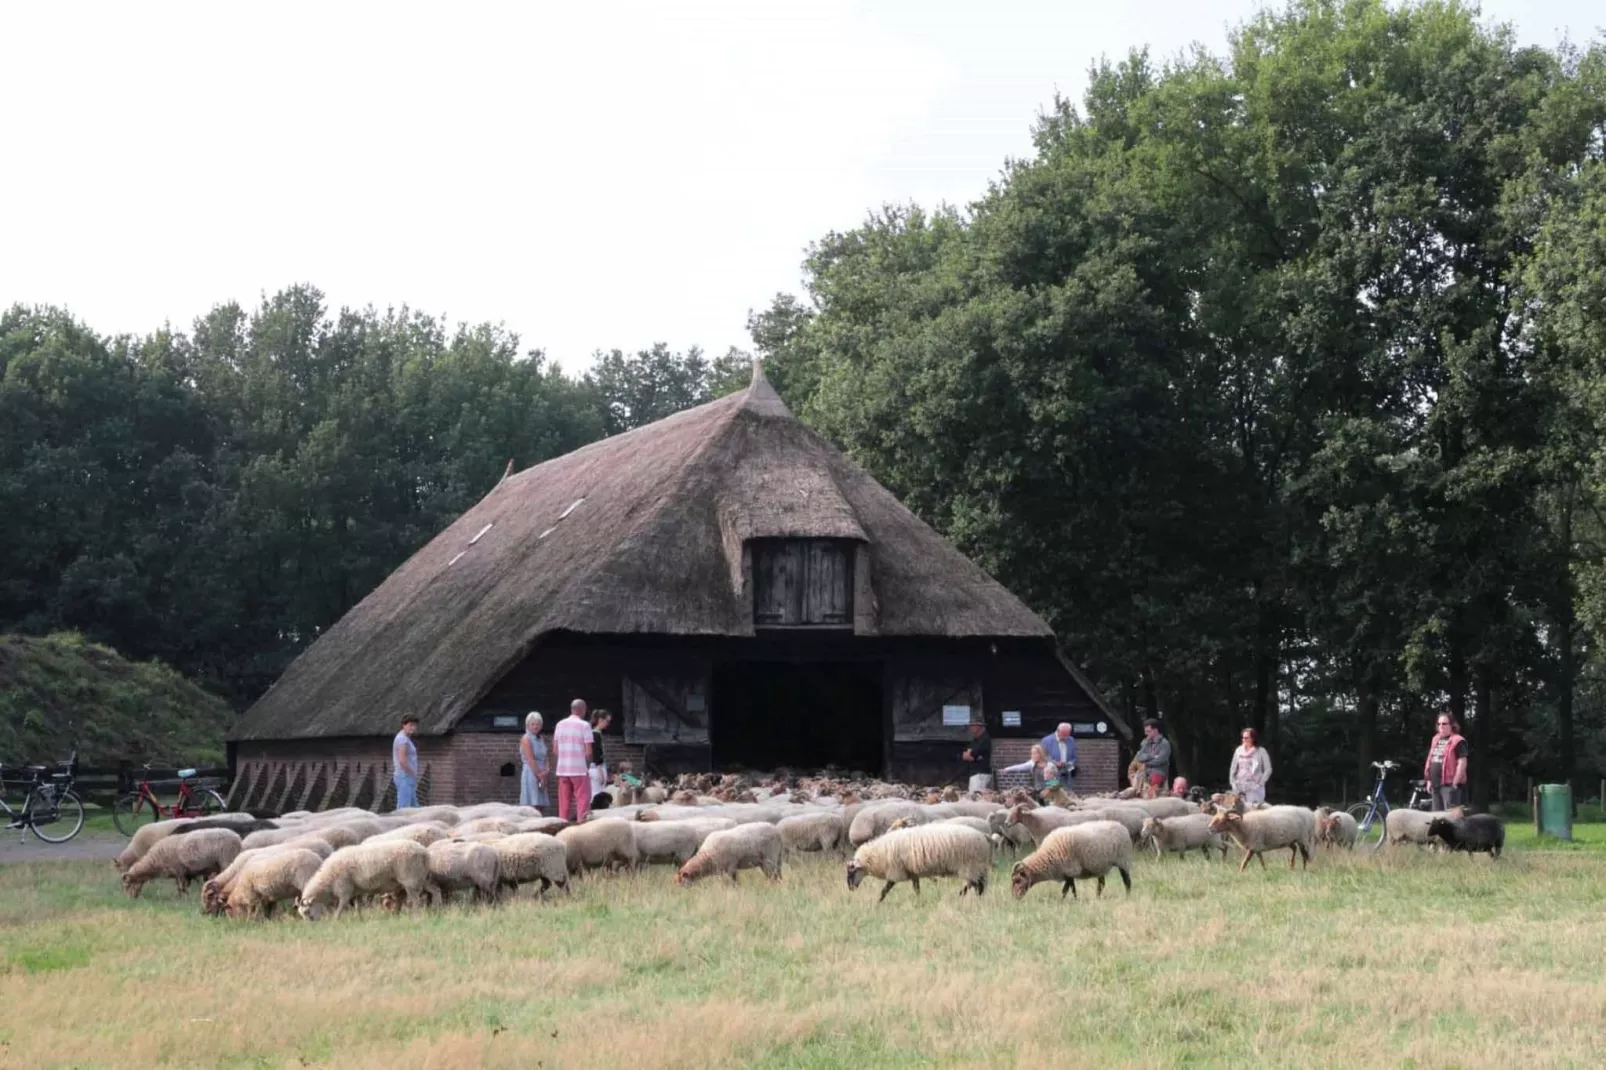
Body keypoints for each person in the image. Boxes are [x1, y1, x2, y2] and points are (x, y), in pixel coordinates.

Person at [553, 698, 594, 822]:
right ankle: (581, 828)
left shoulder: (559, 724)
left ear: (571, 709)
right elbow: (588, 752)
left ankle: (561, 825)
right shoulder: (585, 725)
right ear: (583, 710)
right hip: (579, 770)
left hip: (562, 770)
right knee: (582, 801)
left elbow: (555, 750)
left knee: (564, 803)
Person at [1425, 713, 1468, 811]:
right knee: (1437, 817)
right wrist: (1429, 780)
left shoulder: (1458, 740)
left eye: (1444, 724)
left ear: (1451, 725)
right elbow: (1430, 759)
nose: (1441, 726)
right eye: (1439, 724)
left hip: (1449, 785)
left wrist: (1455, 783)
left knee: (1451, 817)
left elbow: (1462, 763)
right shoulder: (1435, 739)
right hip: (1435, 784)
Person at [1228, 727, 1272, 806]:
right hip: (1239, 786)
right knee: (1239, 809)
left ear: (1253, 738)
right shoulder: (1238, 750)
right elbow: (1233, 767)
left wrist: (1260, 783)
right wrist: (1232, 782)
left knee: (1254, 810)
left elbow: (1268, 769)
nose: (1243, 739)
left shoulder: (1261, 751)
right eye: (1243, 737)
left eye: (1246, 738)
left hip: (1255, 786)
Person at [1134, 719, 1171, 797]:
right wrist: (1152, 756)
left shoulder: (1164, 743)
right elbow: (1139, 757)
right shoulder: (1146, 743)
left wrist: (1147, 762)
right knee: (1137, 782)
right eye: (1145, 731)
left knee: (1152, 790)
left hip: (1159, 772)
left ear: (1155, 730)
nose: (1146, 733)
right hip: (1146, 773)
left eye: (1148, 731)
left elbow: (1161, 760)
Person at [518, 712, 549, 808]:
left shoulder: (540, 739)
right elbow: (531, 759)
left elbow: (545, 756)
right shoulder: (526, 739)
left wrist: (546, 770)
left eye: (538, 724)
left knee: (541, 803)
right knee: (532, 802)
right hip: (531, 772)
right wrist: (540, 775)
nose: (535, 727)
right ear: (528, 725)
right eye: (533, 724)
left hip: (542, 772)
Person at [392, 715, 420, 809]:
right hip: (405, 776)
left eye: (415, 725)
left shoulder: (405, 738)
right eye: (410, 725)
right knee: (404, 808)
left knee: (414, 807)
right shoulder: (402, 739)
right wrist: (412, 773)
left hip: (407, 777)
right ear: (403, 725)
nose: (413, 728)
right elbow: (402, 760)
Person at [960, 721, 993, 793]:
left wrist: (972, 755)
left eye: (972, 725)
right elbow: (965, 755)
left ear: (979, 727)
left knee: (976, 796)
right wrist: (972, 756)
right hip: (974, 773)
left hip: (981, 773)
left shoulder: (985, 739)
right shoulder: (974, 740)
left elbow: (973, 753)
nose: (970, 728)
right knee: (972, 794)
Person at [588, 709, 613, 797]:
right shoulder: (595, 734)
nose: (608, 724)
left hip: (597, 767)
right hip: (597, 768)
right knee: (597, 794)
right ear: (600, 720)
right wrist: (599, 771)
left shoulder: (596, 733)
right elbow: (596, 753)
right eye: (607, 721)